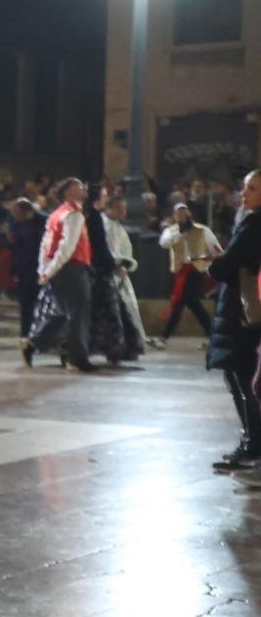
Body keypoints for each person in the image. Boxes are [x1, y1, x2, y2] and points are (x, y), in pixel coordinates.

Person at [206, 170, 261, 473]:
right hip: (247, 311)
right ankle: (252, 441)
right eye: (245, 188)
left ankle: (252, 444)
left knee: (243, 377)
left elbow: (228, 267)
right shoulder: (250, 221)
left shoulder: (254, 224)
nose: (245, 194)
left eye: (252, 189)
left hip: (243, 313)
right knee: (244, 377)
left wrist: (215, 263)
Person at [24, 178, 96, 372]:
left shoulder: (56, 214)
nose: (83, 188)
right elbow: (67, 247)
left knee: (64, 313)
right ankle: (77, 358)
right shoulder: (74, 215)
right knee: (79, 313)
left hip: (59, 270)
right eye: (78, 186)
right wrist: (49, 271)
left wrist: (45, 269)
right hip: (73, 268)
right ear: (68, 192)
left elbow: (46, 245)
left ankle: (34, 343)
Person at [155, 202, 221, 345]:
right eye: (178, 213)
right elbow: (163, 243)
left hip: (196, 270)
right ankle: (213, 335)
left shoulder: (202, 230)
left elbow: (215, 248)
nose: (182, 215)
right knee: (192, 303)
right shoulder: (171, 231)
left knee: (181, 302)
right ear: (174, 215)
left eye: (184, 212)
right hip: (180, 270)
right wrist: (178, 232)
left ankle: (164, 337)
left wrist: (209, 260)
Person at [104, 196, 149, 354]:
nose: (124, 212)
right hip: (114, 274)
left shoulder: (116, 227)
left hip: (121, 272)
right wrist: (120, 265)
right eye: (120, 208)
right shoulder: (108, 226)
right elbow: (112, 252)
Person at [9, 199, 44, 339]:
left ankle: (38, 334)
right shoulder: (17, 224)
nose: (15, 216)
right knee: (25, 304)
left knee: (38, 303)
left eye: (17, 213)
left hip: (37, 268)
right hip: (24, 269)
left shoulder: (41, 222)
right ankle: (26, 334)